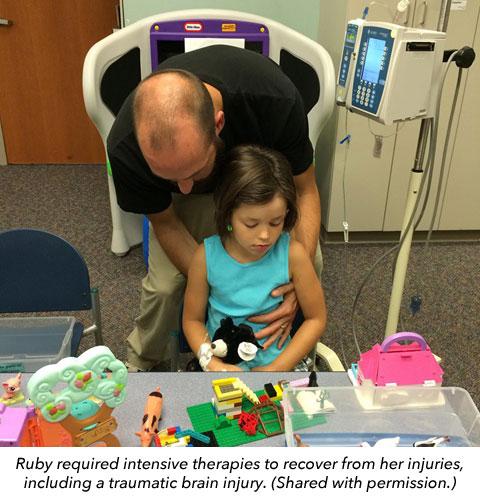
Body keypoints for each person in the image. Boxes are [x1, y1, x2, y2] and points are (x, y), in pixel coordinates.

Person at [107, 44, 323, 371]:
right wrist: (224, 284)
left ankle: (298, 356)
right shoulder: (126, 147)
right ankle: (142, 361)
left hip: (259, 192)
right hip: (181, 211)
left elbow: (305, 189)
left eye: (193, 170)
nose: (184, 186)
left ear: (218, 124)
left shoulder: (274, 99)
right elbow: (165, 222)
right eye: (169, 176)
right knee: (165, 287)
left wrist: (293, 286)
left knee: (311, 263)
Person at [183, 145, 327, 371]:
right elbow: (192, 321)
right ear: (228, 214)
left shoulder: (293, 255)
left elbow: (316, 318)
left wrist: (276, 368)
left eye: (276, 222)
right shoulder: (205, 257)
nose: (265, 235)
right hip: (219, 367)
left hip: (278, 366)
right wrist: (210, 362)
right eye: (251, 224)